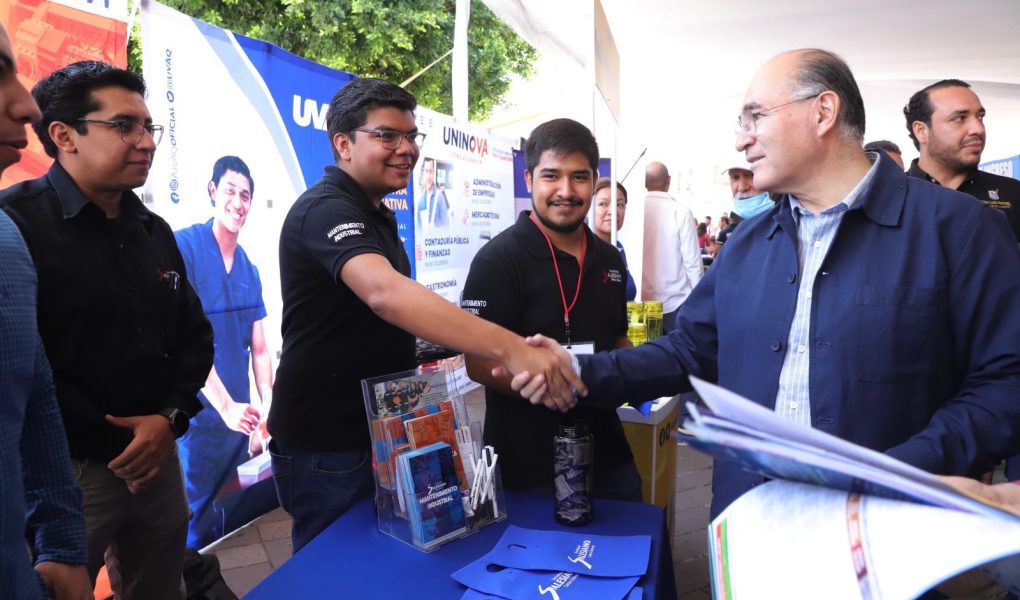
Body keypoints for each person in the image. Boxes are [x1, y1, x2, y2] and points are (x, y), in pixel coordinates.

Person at [510, 48, 1020, 518]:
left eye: (755, 117)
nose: (741, 139)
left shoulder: (959, 229)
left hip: (891, 533)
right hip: (747, 523)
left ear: (823, 112)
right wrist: (577, 370)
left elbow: (1004, 381)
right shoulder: (749, 243)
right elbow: (688, 350)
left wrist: (902, 470)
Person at [267, 78, 583, 552]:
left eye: (411, 136)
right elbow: (384, 294)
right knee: (333, 568)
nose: (406, 149)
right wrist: (512, 348)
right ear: (343, 144)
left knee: (383, 559)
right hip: (328, 443)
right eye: (386, 135)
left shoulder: (376, 212)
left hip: (379, 428)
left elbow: (373, 319)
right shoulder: (326, 209)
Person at [0, 61, 214, 598]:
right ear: (63, 135)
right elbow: (23, 368)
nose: (146, 142)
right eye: (124, 126)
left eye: (148, 126)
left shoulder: (152, 230)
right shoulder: (15, 227)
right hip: (64, 479)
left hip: (159, 461)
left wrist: (169, 420)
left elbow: (194, 336)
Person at [461, 119, 642, 500]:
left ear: (594, 181)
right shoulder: (497, 260)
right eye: (551, 176)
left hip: (607, 452)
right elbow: (477, 363)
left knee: (630, 533)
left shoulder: (610, 259)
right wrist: (553, 386)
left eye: (579, 177)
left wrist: (632, 372)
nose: (566, 191)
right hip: (526, 462)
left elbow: (617, 337)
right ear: (529, 180)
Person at [0, 24, 91, 600]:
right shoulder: (24, 218)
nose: (26, 106)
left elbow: (35, 396)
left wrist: (61, 542)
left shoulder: (5, 240)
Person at [174, 155, 274, 549]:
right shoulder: (185, 247)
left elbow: (261, 350)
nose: (238, 202)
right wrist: (225, 405)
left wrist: (268, 408)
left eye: (245, 195)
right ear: (213, 191)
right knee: (195, 522)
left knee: (234, 520)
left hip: (239, 423)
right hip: (197, 418)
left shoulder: (249, 269)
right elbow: (181, 338)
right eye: (230, 191)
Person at [904, 79, 1020, 241]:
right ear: (921, 131)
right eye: (959, 118)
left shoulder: (1013, 193)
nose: (978, 129)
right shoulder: (892, 196)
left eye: (980, 117)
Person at [641, 161, 702, 333]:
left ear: (644, 183)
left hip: (643, 304)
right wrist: (700, 301)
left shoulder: (634, 210)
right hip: (676, 303)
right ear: (669, 180)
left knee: (648, 348)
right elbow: (692, 262)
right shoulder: (681, 211)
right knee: (678, 349)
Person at [592, 176, 636, 300]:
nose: (613, 211)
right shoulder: (583, 248)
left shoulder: (618, 248)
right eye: (603, 204)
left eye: (619, 204)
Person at [417, 156, 450, 229]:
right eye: (426, 171)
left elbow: (446, 226)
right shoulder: (420, 200)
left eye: (430, 171)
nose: (428, 176)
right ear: (423, 173)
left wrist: (437, 230)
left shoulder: (440, 197)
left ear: (434, 173)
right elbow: (418, 227)